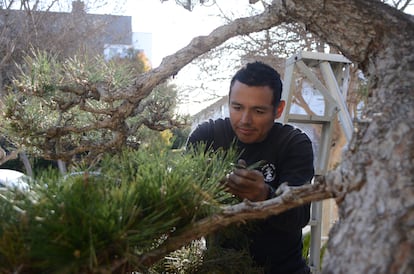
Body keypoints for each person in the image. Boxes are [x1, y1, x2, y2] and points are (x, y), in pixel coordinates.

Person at [186, 61, 314, 274]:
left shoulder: (294, 144)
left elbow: (300, 216)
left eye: (258, 111)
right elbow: (181, 204)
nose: (245, 120)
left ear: (278, 109)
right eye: (237, 107)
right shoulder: (206, 138)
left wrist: (265, 195)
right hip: (218, 268)